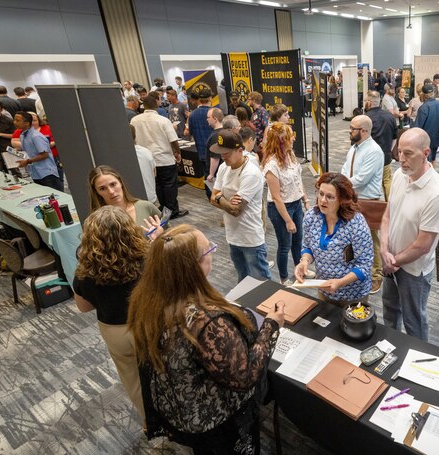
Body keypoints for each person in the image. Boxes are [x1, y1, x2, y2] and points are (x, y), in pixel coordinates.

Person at [128, 224, 284, 454]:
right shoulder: (208, 322)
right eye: (209, 250)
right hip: (216, 421)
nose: (213, 252)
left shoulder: (149, 299)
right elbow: (245, 375)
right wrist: (271, 326)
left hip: (183, 410)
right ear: (194, 268)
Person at [73, 206, 159, 425]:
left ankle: (150, 424)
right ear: (130, 230)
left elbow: (84, 307)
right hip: (151, 325)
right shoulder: (149, 258)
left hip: (115, 332)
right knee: (163, 372)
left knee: (132, 379)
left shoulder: (84, 271)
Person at [380, 128, 439, 341]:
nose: (401, 159)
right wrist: (384, 250)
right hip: (390, 260)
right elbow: (387, 216)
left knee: (414, 320)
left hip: (413, 269)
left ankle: (418, 360)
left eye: (408, 153)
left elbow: (423, 245)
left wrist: (394, 261)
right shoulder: (401, 175)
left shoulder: (436, 193)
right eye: (399, 152)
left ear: (426, 152)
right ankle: (391, 345)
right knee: (390, 309)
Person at [295, 173, 373, 305]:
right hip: (324, 289)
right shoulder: (311, 217)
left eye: (330, 197)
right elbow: (307, 247)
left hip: (353, 294)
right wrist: (304, 262)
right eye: (321, 194)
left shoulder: (356, 223)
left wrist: (340, 282)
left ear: (342, 200)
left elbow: (365, 264)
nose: (323, 200)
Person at [211, 130, 271, 282]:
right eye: (221, 153)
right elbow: (213, 197)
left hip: (251, 239)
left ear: (239, 150)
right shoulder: (224, 167)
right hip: (232, 237)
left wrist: (219, 198)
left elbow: (235, 210)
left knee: (262, 285)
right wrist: (220, 198)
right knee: (243, 281)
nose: (223, 157)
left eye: (227, 153)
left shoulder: (251, 173)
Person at [340, 115, 384, 294]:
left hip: (367, 201)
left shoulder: (374, 151)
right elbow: (345, 169)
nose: (350, 131)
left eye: (353, 128)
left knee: (371, 241)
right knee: (353, 238)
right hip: (353, 199)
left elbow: (361, 179)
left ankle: (376, 276)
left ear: (364, 131)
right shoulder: (355, 148)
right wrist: (342, 182)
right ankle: (358, 271)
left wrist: (341, 185)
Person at [262, 123, 309, 284]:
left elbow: (297, 180)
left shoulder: (291, 155)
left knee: (298, 240)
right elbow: (276, 197)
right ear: (282, 141)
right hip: (280, 209)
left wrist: (305, 199)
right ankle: (283, 278)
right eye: (291, 136)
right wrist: (288, 220)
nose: (294, 138)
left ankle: (300, 268)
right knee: (285, 245)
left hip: (296, 205)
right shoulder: (271, 165)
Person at [131, 94, 188, 218]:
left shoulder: (135, 120)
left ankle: (163, 207)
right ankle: (172, 210)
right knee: (169, 185)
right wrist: (178, 153)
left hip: (146, 160)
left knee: (157, 185)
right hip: (164, 158)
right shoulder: (163, 120)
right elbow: (173, 140)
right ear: (157, 103)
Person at [88, 164, 161, 225]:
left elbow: (170, 234)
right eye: (102, 189)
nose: (111, 191)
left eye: (113, 184)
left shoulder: (145, 207)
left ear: (120, 183)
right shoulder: (96, 222)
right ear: (96, 192)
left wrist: (160, 235)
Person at [14, 111, 62, 191]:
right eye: (14, 120)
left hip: (46, 173)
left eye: (18, 120)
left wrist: (27, 161)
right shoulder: (23, 135)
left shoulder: (36, 136)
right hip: (35, 172)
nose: (14, 122)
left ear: (26, 123)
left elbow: (44, 155)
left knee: (55, 197)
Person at [364, 91, 397, 201]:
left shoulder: (366, 119)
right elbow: (394, 138)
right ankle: (390, 205)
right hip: (386, 156)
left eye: (365, 101)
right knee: (387, 180)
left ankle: (374, 205)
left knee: (371, 182)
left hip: (369, 157)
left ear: (369, 102)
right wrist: (388, 150)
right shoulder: (390, 117)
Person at [416, 84, 439, 166]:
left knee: (425, 162)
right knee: (433, 159)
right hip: (437, 138)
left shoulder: (424, 108)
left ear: (423, 94)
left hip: (426, 140)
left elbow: (418, 128)